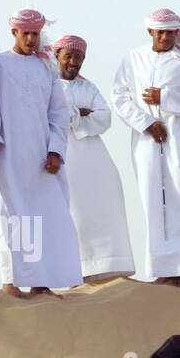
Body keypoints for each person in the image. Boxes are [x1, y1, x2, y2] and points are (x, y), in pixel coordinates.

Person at [0, 9, 82, 297]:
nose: (30, 39)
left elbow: (59, 113)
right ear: (14, 32)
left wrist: (55, 151)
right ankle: (10, 281)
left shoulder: (46, 67)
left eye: (35, 34)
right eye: (25, 33)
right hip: (10, 155)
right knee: (12, 217)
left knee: (46, 217)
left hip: (43, 159)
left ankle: (41, 282)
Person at [111, 9, 180, 285]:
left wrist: (166, 98)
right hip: (146, 143)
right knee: (153, 203)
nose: (166, 37)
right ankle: (166, 270)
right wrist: (145, 123)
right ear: (150, 32)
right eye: (161, 32)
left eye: (171, 32)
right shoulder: (133, 59)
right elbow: (120, 97)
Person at [52, 35, 135, 283]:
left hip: (93, 157)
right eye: (68, 56)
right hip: (60, 154)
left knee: (103, 208)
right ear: (57, 56)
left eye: (78, 57)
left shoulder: (88, 88)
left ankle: (104, 269)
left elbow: (104, 118)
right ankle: (70, 271)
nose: (73, 62)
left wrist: (73, 116)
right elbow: (54, 114)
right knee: (71, 213)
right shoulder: (47, 86)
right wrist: (80, 113)